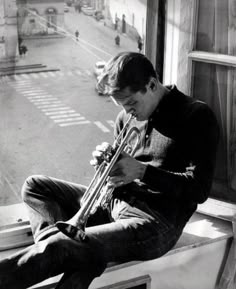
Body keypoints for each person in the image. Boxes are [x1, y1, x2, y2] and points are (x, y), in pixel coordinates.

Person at [0, 52, 219, 288]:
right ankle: (79, 252)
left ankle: (66, 250)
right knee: (35, 186)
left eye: (132, 103)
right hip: (113, 203)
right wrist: (108, 163)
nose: (128, 111)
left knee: (58, 246)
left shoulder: (195, 115)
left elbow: (198, 190)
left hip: (154, 223)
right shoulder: (126, 116)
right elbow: (120, 170)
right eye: (122, 106)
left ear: (152, 84)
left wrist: (142, 172)